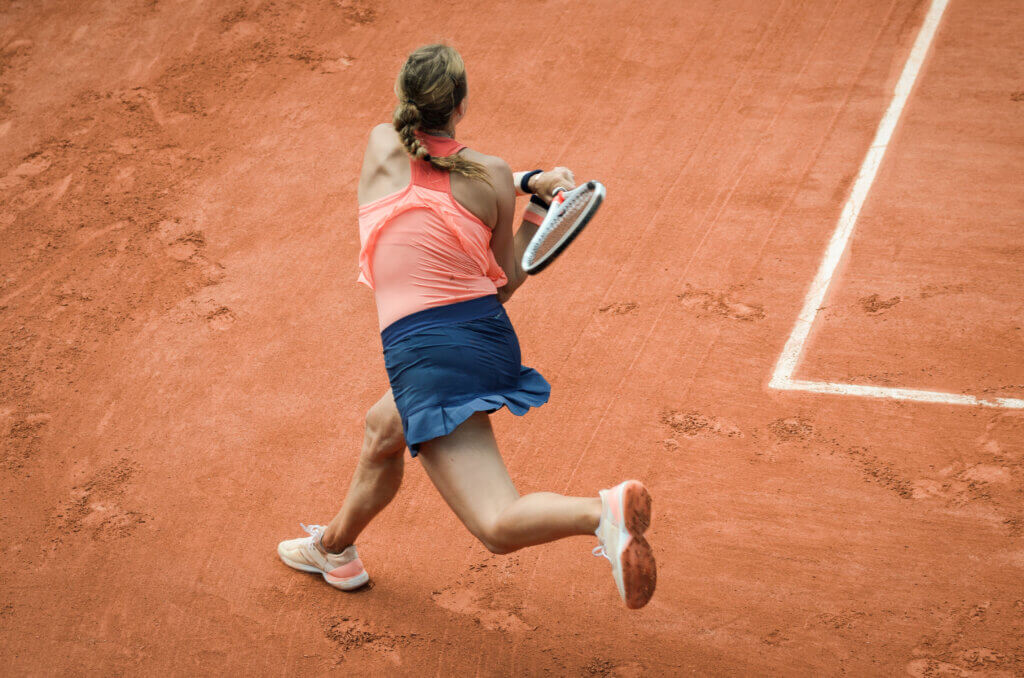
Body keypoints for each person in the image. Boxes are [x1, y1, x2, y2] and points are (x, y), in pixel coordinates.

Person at [278, 44, 656, 609]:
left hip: (427, 359)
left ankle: (601, 512)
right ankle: (335, 550)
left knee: (497, 524)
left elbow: (433, 162)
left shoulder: (381, 144)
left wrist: (533, 184)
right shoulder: (497, 179)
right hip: (485, 339)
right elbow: (503, 282)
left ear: (406, 97)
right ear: (462, 103)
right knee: (384, 430)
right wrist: (536, 200)